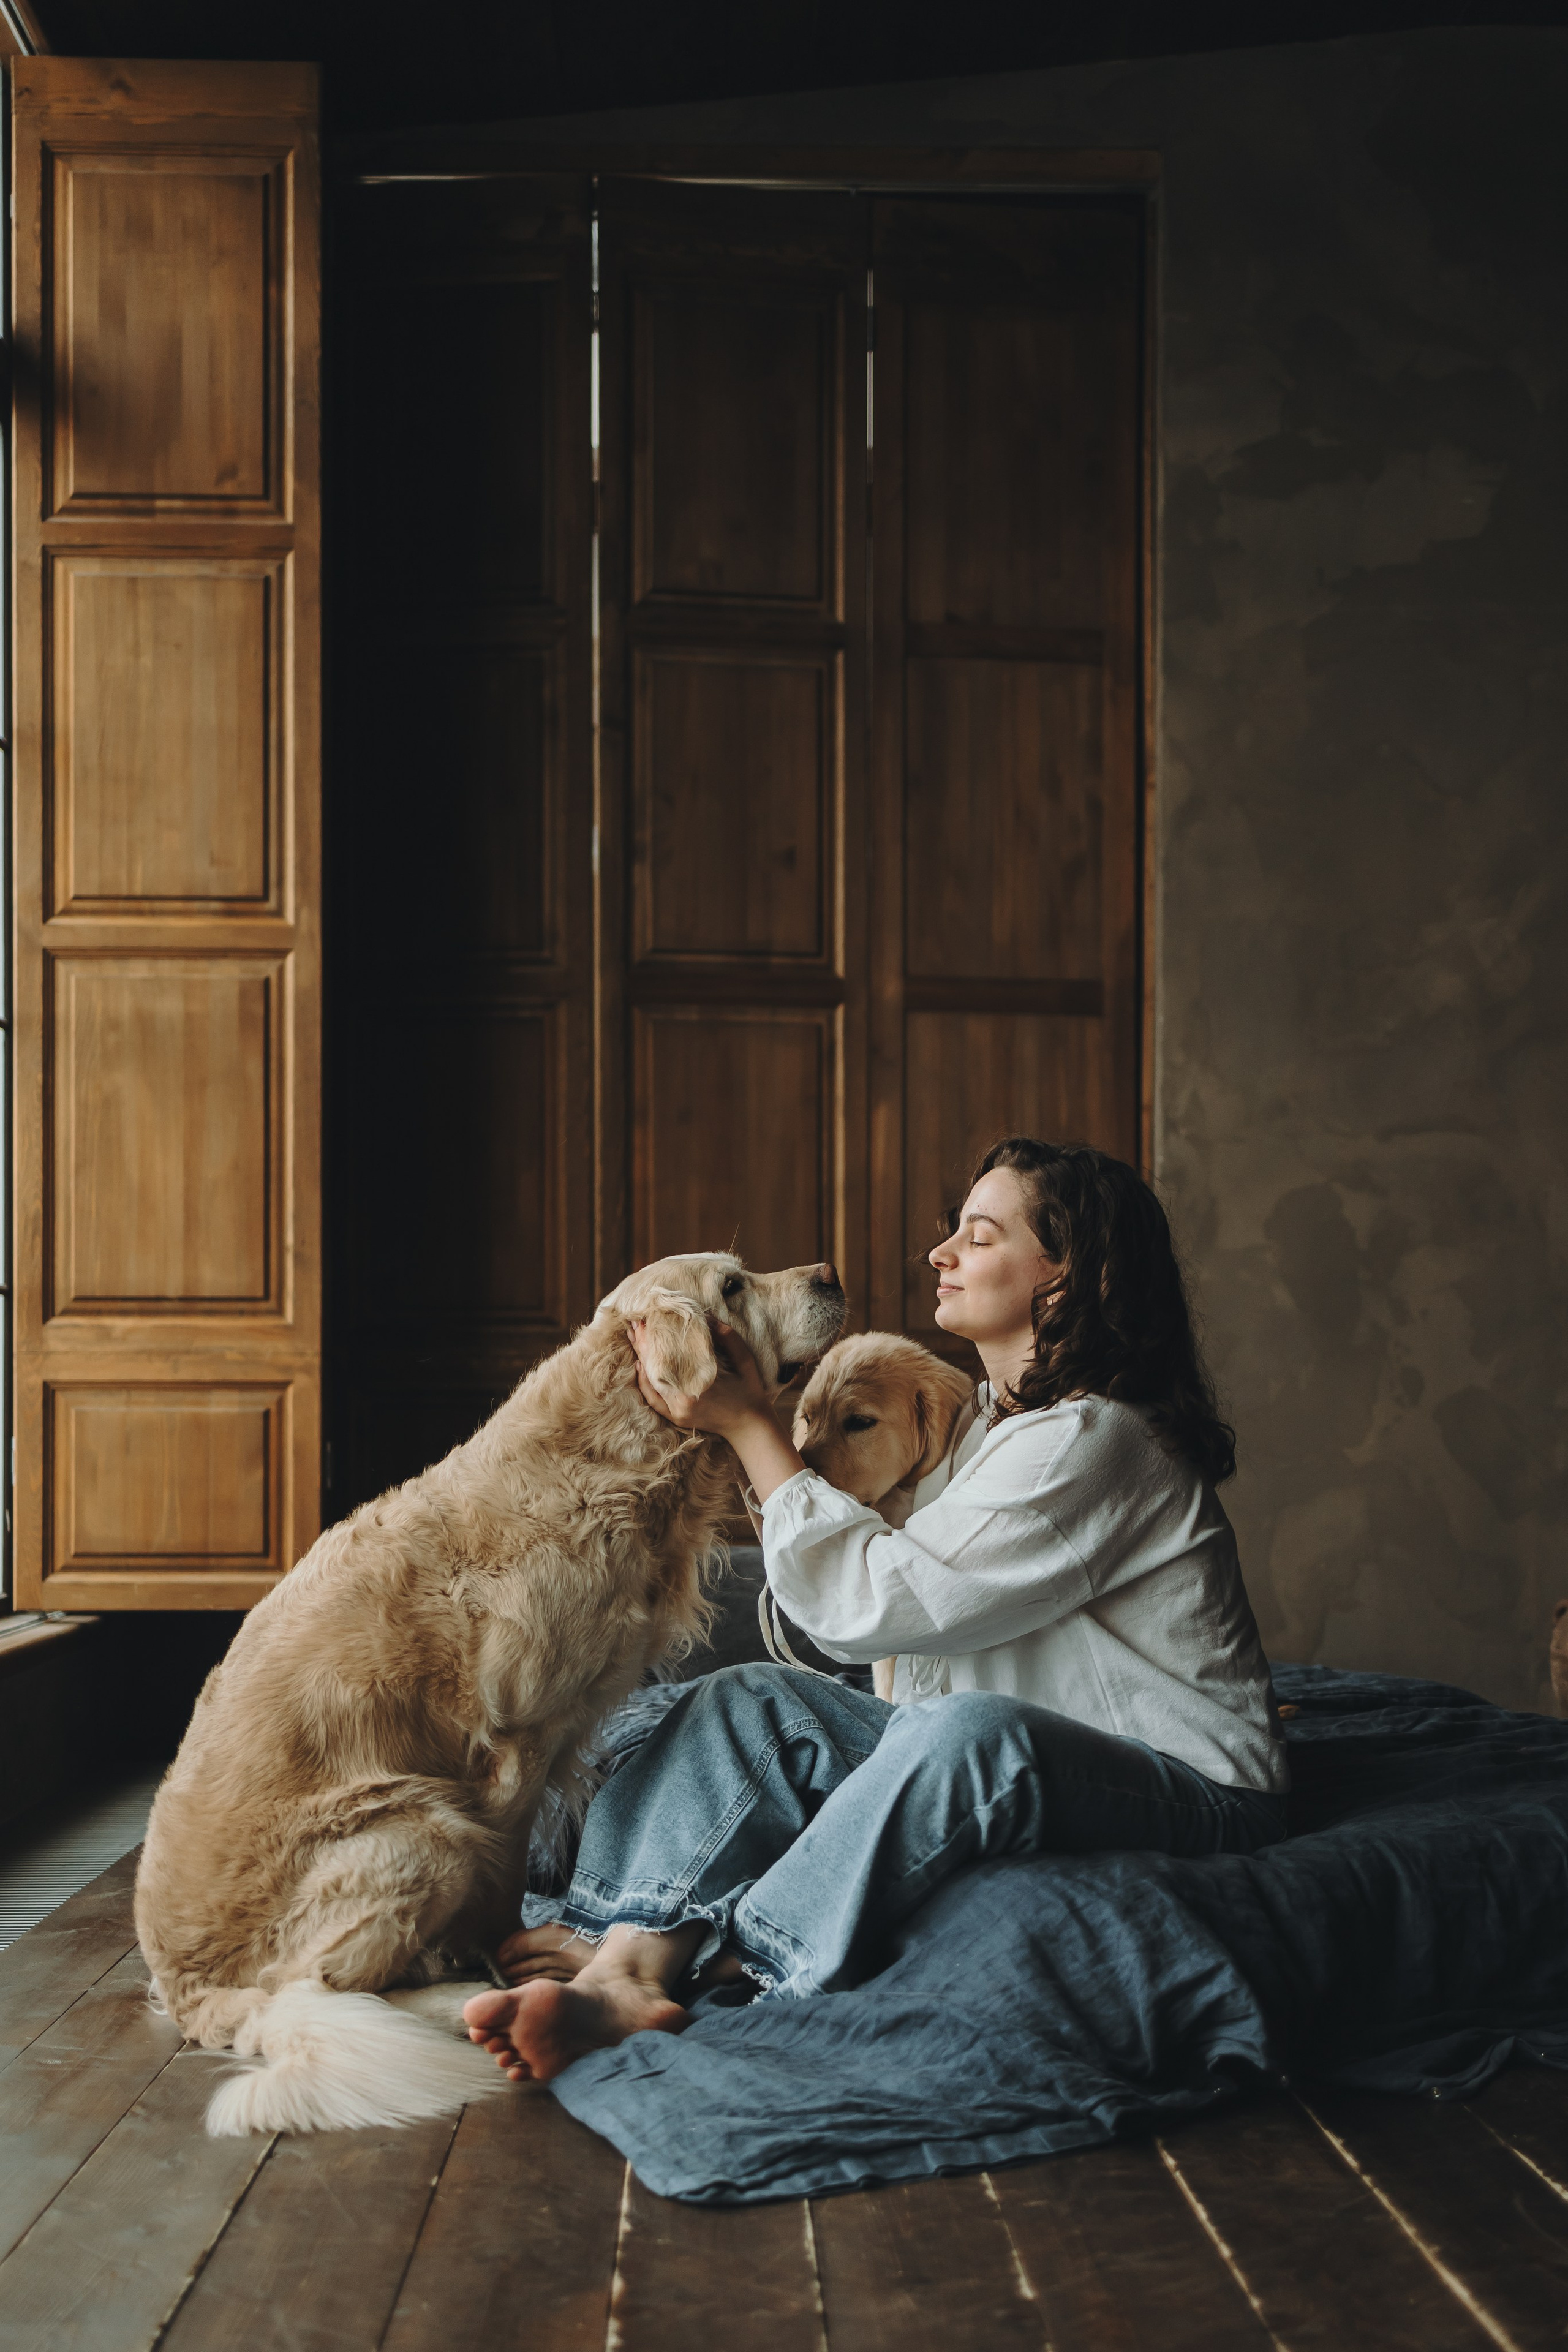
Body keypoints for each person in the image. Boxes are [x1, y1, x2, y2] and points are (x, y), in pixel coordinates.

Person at [464, 1137, 1289, 2083]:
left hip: (1193, 1794)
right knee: (747, 1702)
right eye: (953, 1234)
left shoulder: (1098, 1439)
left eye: (978, 1237)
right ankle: (627, 1961)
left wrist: (748, 1424)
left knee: (970, 1733)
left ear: (1069, 1282)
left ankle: (747, 1955)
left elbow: (880, 1599)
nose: (940, 1255)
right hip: (1031, 1757)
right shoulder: (988, 1428)